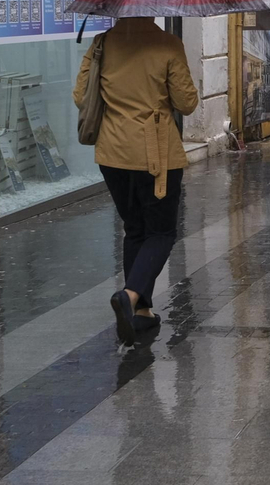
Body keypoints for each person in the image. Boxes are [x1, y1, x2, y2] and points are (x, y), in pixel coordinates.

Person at [74, 18, 199, 346]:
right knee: (161, 232)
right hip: (155, 155)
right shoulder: (168, 45)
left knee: (135, 229)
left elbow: (80, 95)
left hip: (112, 154)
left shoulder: (102, 43)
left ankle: (141, 313)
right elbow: (187, 103)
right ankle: (129, 296)